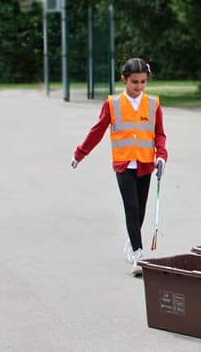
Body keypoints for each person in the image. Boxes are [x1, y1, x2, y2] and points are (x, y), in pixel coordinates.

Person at [71, 58, 168, 276]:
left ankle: (130, 242)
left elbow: (160, 134)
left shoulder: (154, 104)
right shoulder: (112, 104)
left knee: (140, 210)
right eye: (135, 82)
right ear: (124, 79)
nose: (139, 87)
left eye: (143, 82)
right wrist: (80, 154)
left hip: (145, 163)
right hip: (124, 164)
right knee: (131, 208)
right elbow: (97, 131)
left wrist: (161, 156)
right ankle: (138, 254)